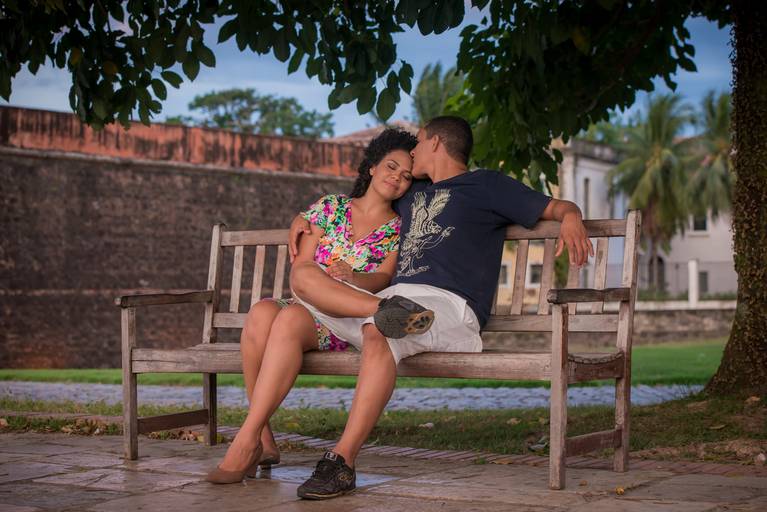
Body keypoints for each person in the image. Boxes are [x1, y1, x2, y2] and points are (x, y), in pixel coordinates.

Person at [287, 116, 595, 500]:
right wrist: (304, 218)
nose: (412, 153)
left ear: (433, 143)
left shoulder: (487, 185)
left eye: (417, 143)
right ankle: (385, 310)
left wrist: (572, 216)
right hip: (390, 300)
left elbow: (558, 206)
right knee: (304, 279)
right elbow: (361, 197)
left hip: (449, 307)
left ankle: (341, 461)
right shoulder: (412, 192)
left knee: (378, 329)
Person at [204, 128, 422, 484]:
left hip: (343, 317)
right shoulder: (330, 207)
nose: (397, 177)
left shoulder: (397, 228)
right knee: (264, 310)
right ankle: (263, 439)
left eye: (407, 176)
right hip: (309, 299)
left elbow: (383, 277)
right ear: (372, 167)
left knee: (289, 317)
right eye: (391, 167)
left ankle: (247, 440)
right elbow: (302, 265)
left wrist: (353, 277)